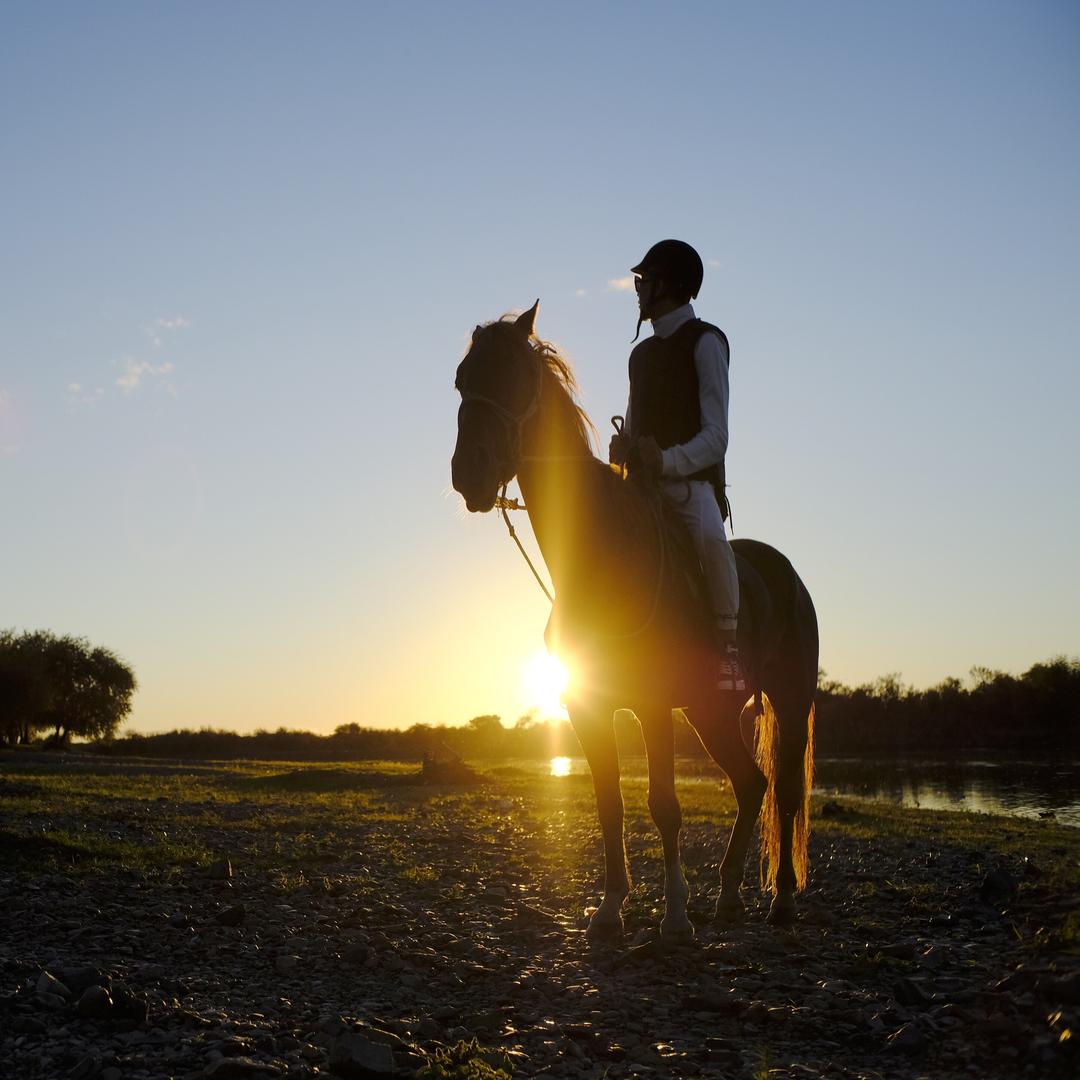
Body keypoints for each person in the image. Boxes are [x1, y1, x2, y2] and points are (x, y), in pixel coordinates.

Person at [609, 239, 745, 693]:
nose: (639, 289)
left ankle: (728, 647)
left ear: (667, 285)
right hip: (641, 490)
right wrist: (623, 446)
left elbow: (717, 437)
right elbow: (634, 419)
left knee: (711, 539)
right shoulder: (640, 355)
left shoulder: (706, 342)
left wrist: (666, 460)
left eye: (644, 281)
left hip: (691, 491)